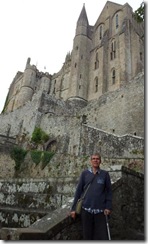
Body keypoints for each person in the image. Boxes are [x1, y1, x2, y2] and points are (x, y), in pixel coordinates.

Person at [70, 153, 112, 240]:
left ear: (100, 161)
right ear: (90, 161)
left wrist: (108, 207)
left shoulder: (105, 174)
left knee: (102, 237)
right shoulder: (84, 174)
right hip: (86, 210)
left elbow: (108, 192)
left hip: (100, 211)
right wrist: (73, 209)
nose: (95, 160)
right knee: (87, 236)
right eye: (93, 159)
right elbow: (78, 191)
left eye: (97, 159)